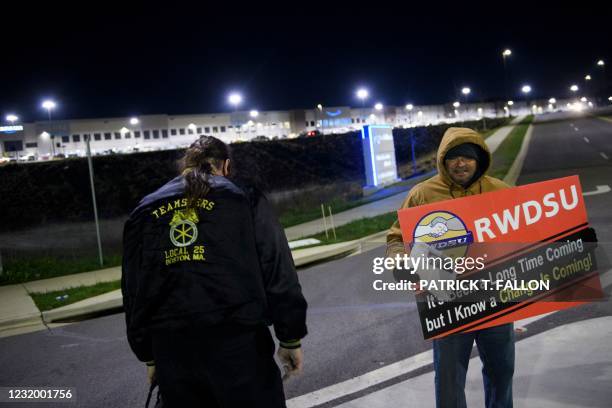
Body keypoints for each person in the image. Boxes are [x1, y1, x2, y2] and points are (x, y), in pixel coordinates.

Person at [121, 135, 308, 407]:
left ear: (184, 166)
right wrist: (290, 336)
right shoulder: (244, 198)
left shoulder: (145, 209)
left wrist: (149, 355)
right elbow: (276, 266)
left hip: (173, 353)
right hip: (240, 346)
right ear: (226, 166)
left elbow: (133, 288)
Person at [386, 127, 514, 408]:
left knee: (502, 373)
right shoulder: (422, 194)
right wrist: (401, 264)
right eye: (454, 157)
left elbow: (524, 234)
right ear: (443, 160)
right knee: (448, 379)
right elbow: (396, 237)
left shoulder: (501, 191)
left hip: (495, 299)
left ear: (479, 160)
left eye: (467, 157)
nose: (460, 163)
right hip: (446, 303)